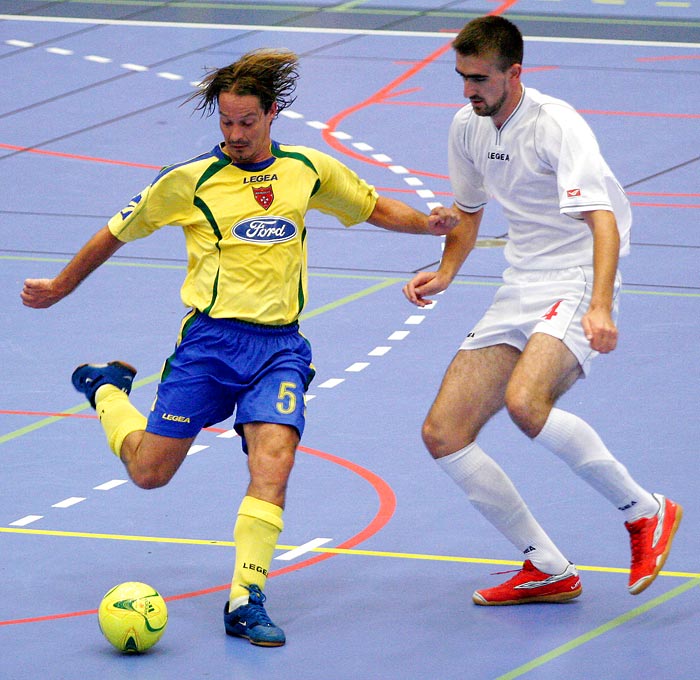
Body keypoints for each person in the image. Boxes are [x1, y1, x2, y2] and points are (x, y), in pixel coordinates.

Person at [21, 48, 457, 645]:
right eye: (226, 122)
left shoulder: (306, 169)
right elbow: (115, 232)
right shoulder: (189, 182)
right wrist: (60, 287)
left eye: (246, 122)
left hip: (279, 347)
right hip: (208, 345)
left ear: (272, 114)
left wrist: (427, 225)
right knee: (149, 473)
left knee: (273, 462)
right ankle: (105, 391)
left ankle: (245, 598)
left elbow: (372, 205)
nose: (235, 134)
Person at [403, 16, 681, 605]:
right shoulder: (468, 126)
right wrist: (447, 271)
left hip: (578, 276)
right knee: (444, 432)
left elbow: (602, 220)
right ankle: (548, 567)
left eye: (479, 79)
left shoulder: (556, 124)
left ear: (514, 73)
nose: (468, 90)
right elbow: (469, 208)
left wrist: (600, 306)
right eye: (462, 77)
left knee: (527, 402)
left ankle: (645, 512)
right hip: (521, 284)